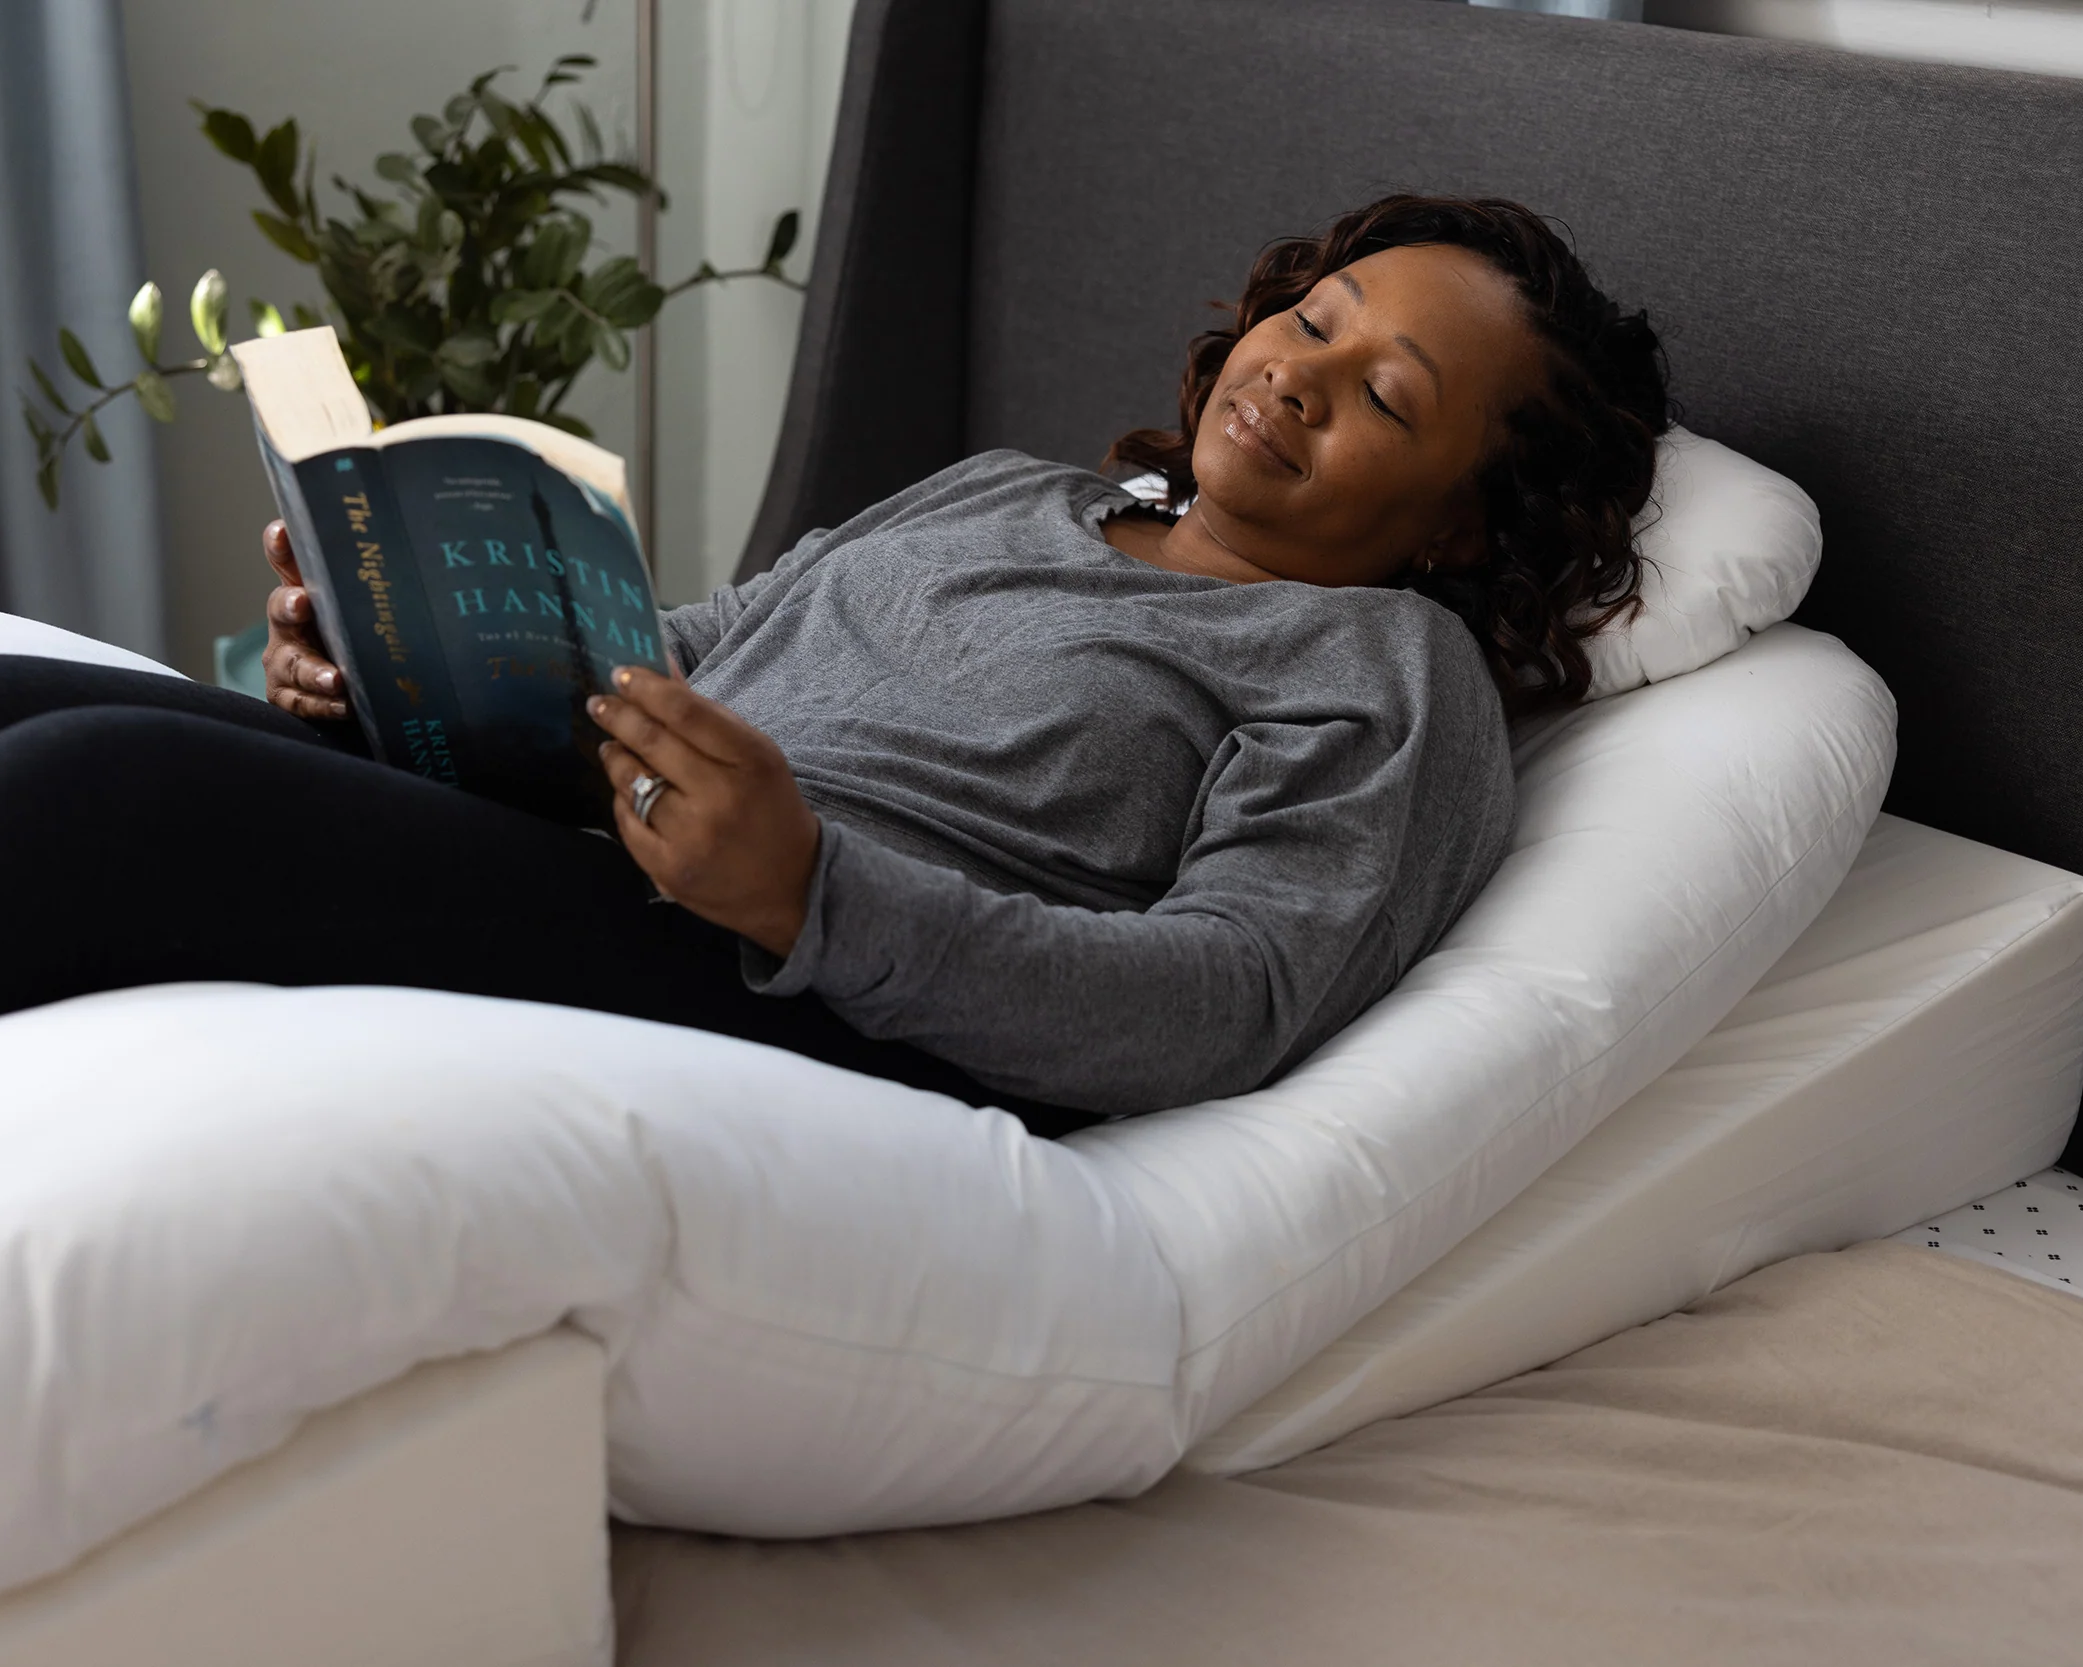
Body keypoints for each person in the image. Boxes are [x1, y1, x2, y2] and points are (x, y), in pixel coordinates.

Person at [0, 194, 1669, 1134]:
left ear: (1465, 525)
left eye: (1387, 396)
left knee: (98, 799)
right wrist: (403, 669)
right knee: (31, 708)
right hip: (601, 842)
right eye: (1319, 319)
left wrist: (810, 891)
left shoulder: (1389, 673)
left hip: (793, 994)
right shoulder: (1021, 493)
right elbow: (690, 654)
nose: (1303, 374)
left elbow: (1226, 1002)